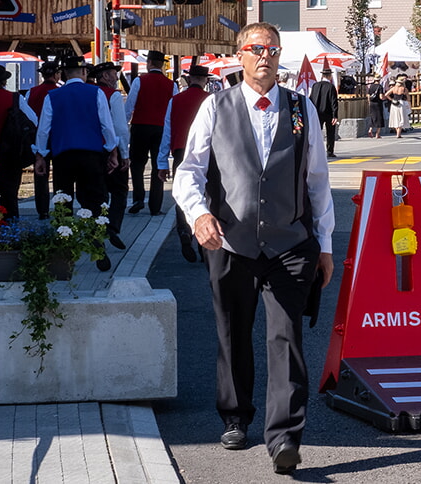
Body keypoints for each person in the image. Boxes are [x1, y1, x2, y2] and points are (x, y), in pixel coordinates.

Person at [171, 22, 335, 476]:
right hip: (231, 240)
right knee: (232, 330)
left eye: (272, 48)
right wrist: (198, 213)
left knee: (286, 337)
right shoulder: (214, 107)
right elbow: (189, 171)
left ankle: (284, 436)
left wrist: (324, 244)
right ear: (239, 55)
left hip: (290, 242)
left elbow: (318, 181)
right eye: (256, 48)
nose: (265, 55)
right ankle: (235, 416)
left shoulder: (302, 109)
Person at [31, 56, 118, 272]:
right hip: (91, 154)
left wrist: (41, 155)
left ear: (64, 74)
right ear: (84, 73)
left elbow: (44, 129)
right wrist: (112, 151)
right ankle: (97, 245)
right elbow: (107, 126)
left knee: (63, 202)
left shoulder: (53, 96)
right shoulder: (96, 93)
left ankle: (65, 251)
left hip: (63, 155)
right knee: (95, 200)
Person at [156, 65, 212, 262]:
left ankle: (184, 231)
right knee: (206, 195)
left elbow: (167, 131)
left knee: (183, 193)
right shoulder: (211, 101)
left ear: (189, 80)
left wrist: (161, 162)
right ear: (205, 80)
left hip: (180, 151)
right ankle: (203, 240)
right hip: (207, 154)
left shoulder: (175, 100)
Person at [124, 50, 179, 216]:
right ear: (162, 64)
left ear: (149, 63)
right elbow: (174, 110)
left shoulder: (139, 81)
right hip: (161, 128)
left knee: (137, 164)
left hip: (140, 126)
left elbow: (129, 106)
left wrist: (125, 126)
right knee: (158, 165)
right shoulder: (172, 85)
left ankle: (138, 198)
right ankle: (155, 206)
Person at [88, 62, 131, 251]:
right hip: (111, 149)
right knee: (120, 190)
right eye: (114, 74)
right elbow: (120, 128)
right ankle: (112, 227)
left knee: (98, 193)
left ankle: (97, 229)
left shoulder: (89, 93)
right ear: (105, 76)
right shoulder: (113, 96)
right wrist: (124, 154)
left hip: (92, 150)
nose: (116, 78)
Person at [0, 64, 38, 220]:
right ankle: (10, 232)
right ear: (4, 82)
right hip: (10, 153)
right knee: (9, 195)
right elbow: (33, 121)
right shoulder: (15, 98)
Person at [23, 61, 59, 219]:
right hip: (57, 138)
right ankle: (60, 208)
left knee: (40, 174)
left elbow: (27, 115)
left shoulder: (32, 91)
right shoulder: (59, 92)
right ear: (56, 74)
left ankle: (42, 210)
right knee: (59, 175)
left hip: (38, 138)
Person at [309, 67, 339, 157]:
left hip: (317, 112)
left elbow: (311, 99)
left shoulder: (315, 85)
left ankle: (315, 150)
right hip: (328, 113)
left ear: (322, 75)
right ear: (330, 76)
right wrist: (335, 115)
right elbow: (334, 102)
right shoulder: (331, 87)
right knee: (330, 133)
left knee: (317, 132)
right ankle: (329, 151)